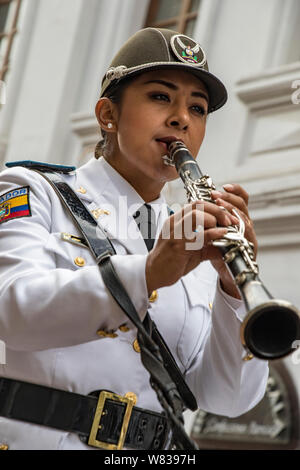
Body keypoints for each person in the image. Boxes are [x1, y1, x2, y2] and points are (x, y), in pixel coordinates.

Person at [0, 27, 268, 450]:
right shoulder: (33, 191)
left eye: (197, 109)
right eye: (161, 96)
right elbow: (11, 313)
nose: (182, 117)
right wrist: (148, 272)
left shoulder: (193, 238)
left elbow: (226, 399)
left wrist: (234, 290)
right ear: (108, 114)